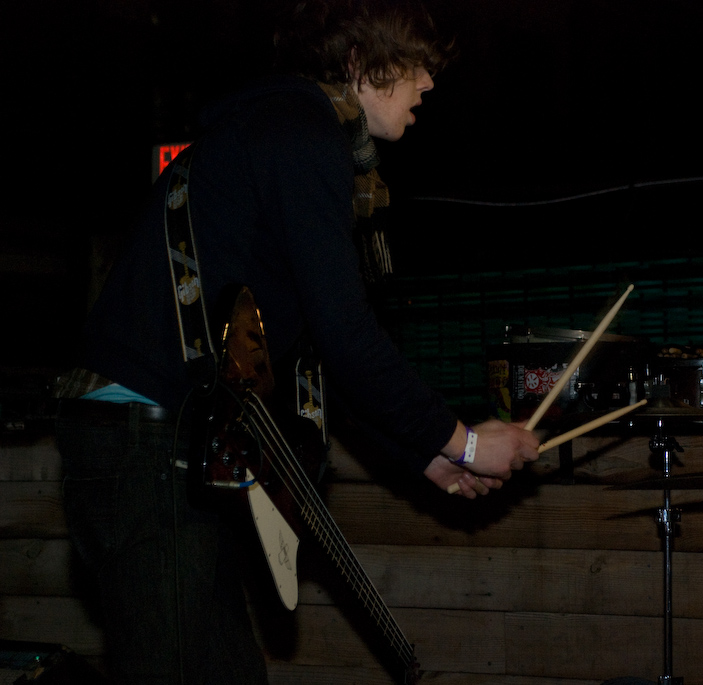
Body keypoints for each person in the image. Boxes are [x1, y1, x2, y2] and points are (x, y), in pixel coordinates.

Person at [53, 0, 540, 682]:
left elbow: (322, 345)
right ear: (359, 62)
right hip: (147, 446)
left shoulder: (278, 130)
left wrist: (424, 453)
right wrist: (464, 443)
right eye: (414, 64)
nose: (429, 82)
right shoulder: (302, 134)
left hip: (157, 443)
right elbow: (347, 335)